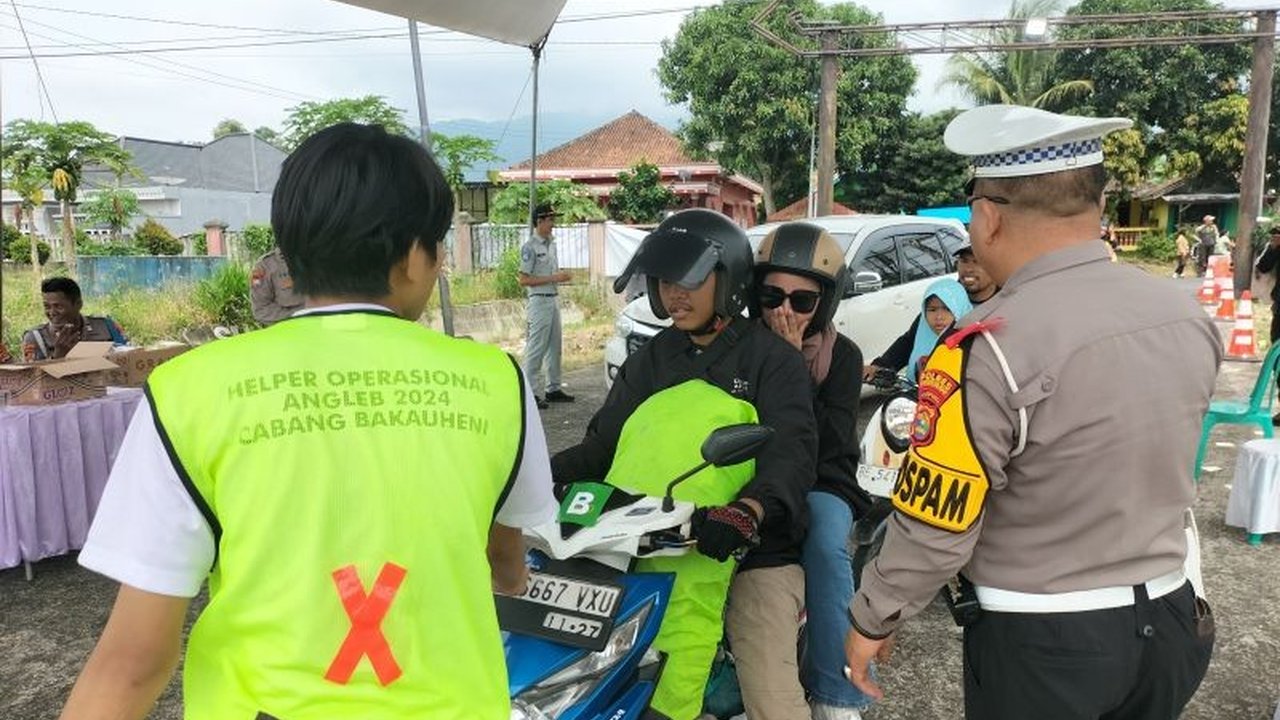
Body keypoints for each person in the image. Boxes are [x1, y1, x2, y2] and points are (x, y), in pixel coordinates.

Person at [60, 123, 557, 719]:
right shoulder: (496, 381)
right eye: (439, 245)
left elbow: (133, 663)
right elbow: (506, 555)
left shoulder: (188, 390)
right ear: (411, 256)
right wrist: (511, 581)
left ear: (293, 252)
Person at [844, 104, 1218, 718]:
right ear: (1098, 203)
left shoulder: (982, 347)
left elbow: (939, 520)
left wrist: (873, 615)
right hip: (1173, 622)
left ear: (988, 217)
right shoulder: (1184, 314)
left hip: (1046, 646)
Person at [552, 208, 817, 720]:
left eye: (691, 280)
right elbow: (600, 447)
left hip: (749, 546)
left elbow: (791, 453)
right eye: (665, 282)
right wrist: (529, 476)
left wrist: (748, 511)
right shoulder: (652, 359)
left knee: (772, 697)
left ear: (729, 280)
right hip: (634, 541)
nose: (675, 294)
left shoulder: (773, 360)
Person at [753, 222, 872, 720]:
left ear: (824, 304)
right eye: (772, 296)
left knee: (825, 547)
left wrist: (788, 365)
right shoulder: (743, 346)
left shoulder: (842, 357)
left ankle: (836, 694)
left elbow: (831, 441)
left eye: (802, 301)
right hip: (755, 476)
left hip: (823, 479)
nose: (784, 311)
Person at [862, 272, 979, 383]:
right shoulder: (922, 327)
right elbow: (906, 344)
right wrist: (878, 367)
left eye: (947, 309)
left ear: (960, 310)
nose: (939, 317)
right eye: (932, 310)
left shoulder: (975, 341)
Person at [519, 203, 574, 410]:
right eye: (550, 220)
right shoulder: (530, 247)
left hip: (552, 299)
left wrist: (558, 277)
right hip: (539, 301)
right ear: (539, 221)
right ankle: (530, 393)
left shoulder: (551, 244)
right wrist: (554, 278)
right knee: (536, 349)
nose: (553, 224)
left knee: (554, 347)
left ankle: (553, 388)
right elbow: (523, 280)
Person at [22, 277, 127, 361]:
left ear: (78, 304)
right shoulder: (35, 338)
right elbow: (31, 379)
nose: (52, 312)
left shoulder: (106, 327)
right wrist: (58, 356)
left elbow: (128, 359)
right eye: (47, 306)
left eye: (58, 306)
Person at [250, 246, 305, 326]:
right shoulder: (264, 266)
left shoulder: (319, 258)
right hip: (290, 329)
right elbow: (261, 310)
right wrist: (300, 314)